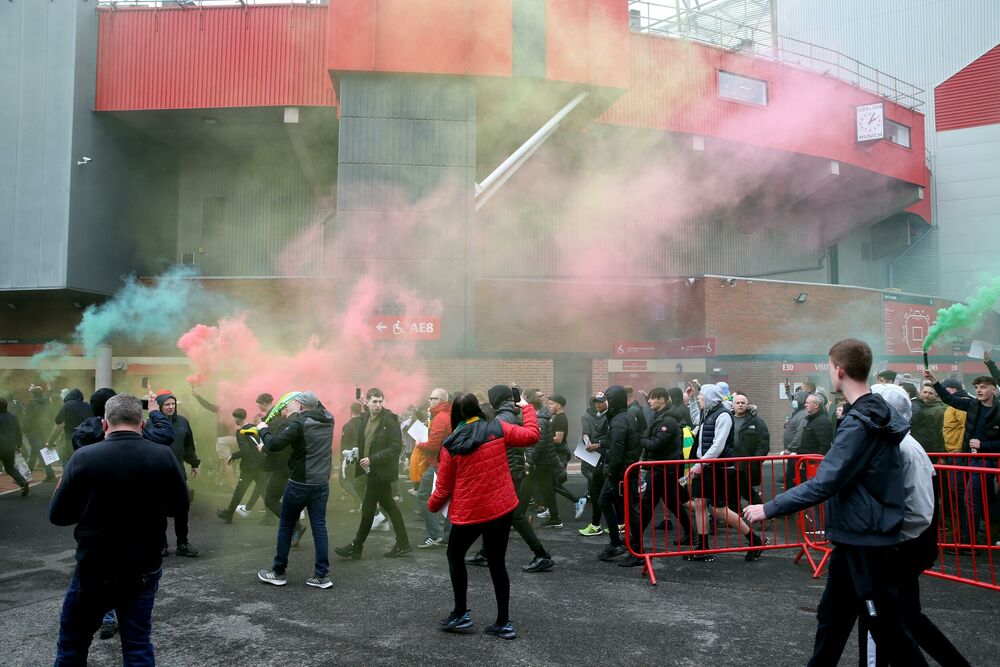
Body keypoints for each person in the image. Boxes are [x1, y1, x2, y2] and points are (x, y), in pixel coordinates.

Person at [744, 339, 928, 667]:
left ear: (839, 370)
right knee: (832, 618)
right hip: (854, 536)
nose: (831, 373)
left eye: (830, 368)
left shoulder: (861, 421)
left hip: (865, 540)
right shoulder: (870, 414)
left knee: (887, 629)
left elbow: (826, 480)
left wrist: (769, 507)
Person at [50, 394, 189, 666]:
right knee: (137, 644)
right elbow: (179, 507)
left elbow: (59, 515)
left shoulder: (83, 457)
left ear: (104, 424)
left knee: (73, 643)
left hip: (94, 564)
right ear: (142, 423)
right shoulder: (162, 455)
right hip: (143, 564)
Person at [861, 384, 970, 667]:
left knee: (883, 619)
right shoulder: (899, 443)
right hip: (905, 546)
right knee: (908, 618)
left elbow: (920, 513)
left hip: (903, 547)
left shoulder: (903, 447)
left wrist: (885, 538)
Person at [428, 392, 540, 639]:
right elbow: (532, 435)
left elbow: (444, 488)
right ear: (478, 408)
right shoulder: (497, 427)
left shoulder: (451, 444)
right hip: (500, 510)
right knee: (497, 563)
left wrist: (432, 506)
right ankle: (503, 622)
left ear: (457, 414)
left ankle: (460, 614)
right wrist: (527, 407)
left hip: (470, 512)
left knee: (455, 555)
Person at [71, 388, 175, 642]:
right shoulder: (152, 450)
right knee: (138, 639)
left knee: (73, 638)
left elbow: (60, 514)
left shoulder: (84, 445)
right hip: (141, 544)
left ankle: (105, 618)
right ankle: (120, 619)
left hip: (97, 542)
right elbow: (165, 435)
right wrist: (154, 412)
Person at [468, 385, 554, 573]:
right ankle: (485, 553)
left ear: (494, 400)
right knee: (497, 515)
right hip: (512, 471)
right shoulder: (511, 414)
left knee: (514, 516)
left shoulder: (501, 418)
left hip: (506, 472)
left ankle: (542, 555)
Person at [256, 391, 335, 588]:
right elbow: (320, 406)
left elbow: (274, 445)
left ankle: (278, 572)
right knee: (319, 527)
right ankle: (322, 576)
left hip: (300, 482)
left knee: (286, 526)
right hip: (321, 483)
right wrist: (300, 399)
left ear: (300, 405)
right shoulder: (329, 418)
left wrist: (263, 429)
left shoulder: (299, 423)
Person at [686, 384, 765, 563]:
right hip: (705, 466)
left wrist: (700, 464)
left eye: (700, 396)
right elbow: (695, 419)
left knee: (718, 509)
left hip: (718, 468)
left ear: (709, 397)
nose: (699, 398)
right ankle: (703, 548)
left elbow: (718, 445)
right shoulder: (708, 413)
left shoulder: (723, 415)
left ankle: (755, 540)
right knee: (699, 504)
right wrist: (691, 399)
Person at [926, 356, 1000, 545]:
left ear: (994, 389)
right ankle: (973, 539)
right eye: (976, 388)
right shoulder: (972, 404)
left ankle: (981, 538)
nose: (979, 390)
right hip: (975, 460)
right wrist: (934, 381)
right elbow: (949, 399)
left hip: (993, 459)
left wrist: (983, 445)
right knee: (974, 497)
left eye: (983, 387)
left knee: (982, 498)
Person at [621, 387, 693, 567]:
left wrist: (640, 440)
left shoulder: (667, 421)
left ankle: (634, 541)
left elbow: (656, 444)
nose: (650, 402)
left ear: (662, 400)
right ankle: (691, 534)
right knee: (672, 502)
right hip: (662, 468)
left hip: (662, 469)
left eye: (653, 399)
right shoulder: (662, 416)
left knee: (646, 504)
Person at [335, 388, 411, 559]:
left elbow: (395, 447)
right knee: (389, 506)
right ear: (367, 403)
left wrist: (373, 458)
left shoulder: (389, 420)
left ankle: (357, 546)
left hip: (381, 471)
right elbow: (366, 442)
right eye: (374, 401)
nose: (378, 405)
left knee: (369, 509)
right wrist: (358, 454)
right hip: (372, 470)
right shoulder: (365, 418)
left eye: (380, 401)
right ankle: (402, 543)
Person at [596, 385, 642, 561]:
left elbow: (617, 451)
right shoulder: (625, 417)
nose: (606, 402)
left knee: (630, 510)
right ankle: (617, 543)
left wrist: (611, 472)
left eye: (608, 399)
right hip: (624, 471)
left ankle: (635, 550)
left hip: (621, 473)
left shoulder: (619, 421)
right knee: (608, 502)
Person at [154, 391, 200, 558]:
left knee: (182, 510)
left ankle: (182, 543)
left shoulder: (182, 422)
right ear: (159, 406)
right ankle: (161, 544)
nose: (171, 407)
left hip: (179, 473)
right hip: (157, 474)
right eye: (167, 404)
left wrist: (194, 463)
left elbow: (188, 447)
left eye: (173, 404)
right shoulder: (151, 423)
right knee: (158, 511)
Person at [415, 388, 453, 548]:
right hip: (446, 463)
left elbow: (433, 445)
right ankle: (448, 537)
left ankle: (434, 535)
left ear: (441, 401)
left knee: (423, 497)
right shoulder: (448, 415)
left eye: (433, 398)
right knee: (449, 501)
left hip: (438, 464)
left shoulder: (440, 418)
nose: (430, 400)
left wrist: (420, 444)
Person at [217, 408, 267, 523]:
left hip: (250, 466)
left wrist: (233, 456)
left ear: (237, 418)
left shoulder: (240, 432)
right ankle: (270, 517)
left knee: (240, 490)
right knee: (264, 490)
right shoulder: (254, 427)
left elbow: (245, 451)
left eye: (234, 418)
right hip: (262, 464)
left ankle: (229, 514)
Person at [529, 394, 563, 529]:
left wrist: (531, 458)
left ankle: (555, 517)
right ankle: (555, 517)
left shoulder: (540, 421)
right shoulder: (543, 419)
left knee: (546, 489)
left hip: (544, 461)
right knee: (547, 489)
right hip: (546, 460)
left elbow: (539, 443)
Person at [731, 392, 770, 507]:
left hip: (746, 464)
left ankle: (763, 513)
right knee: (732, 490)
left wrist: (756, 460)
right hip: (730, 462)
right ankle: (735, 515)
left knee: (746, 490)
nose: (740, 405)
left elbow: (763, 442)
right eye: (737, 403)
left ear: (747, 405)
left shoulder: (756, 421)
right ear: (733, 405)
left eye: (743, 403)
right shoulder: (727, 419)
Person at [578, 393, 609, 537]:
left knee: (598, 489)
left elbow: (586, 433)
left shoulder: (602, 417)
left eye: (600, 402)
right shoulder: (601, 416)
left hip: (597, 453)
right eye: (596, 402)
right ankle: (616, 524)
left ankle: (597, 525)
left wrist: (590, 445)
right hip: (599, 453)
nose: (598, 404)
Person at [24, 386, 57, 482]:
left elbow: (27, 419)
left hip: (33, 432)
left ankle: (49, 473)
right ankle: (27, 474)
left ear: (33, 394)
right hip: (44, 432)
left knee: (39, 453)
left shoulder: (31, 405)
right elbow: (51, 417)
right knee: (37, 452)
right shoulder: (47, 404)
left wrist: (25, 429)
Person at [0, 397, 30, 496]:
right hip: (10, 446)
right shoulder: (13, 417)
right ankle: (22, 482)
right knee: (10, 468)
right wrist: (18, 444)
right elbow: (18, 432)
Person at [909, 383, 946, 453]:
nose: (927, 395)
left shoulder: (939, 410)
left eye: (930, 393)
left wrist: (941, 453)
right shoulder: (914, 405)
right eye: (925, 392)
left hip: (930, 449)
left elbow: (941, 433)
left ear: (936, 395)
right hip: (915, 446)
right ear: (920, 393)